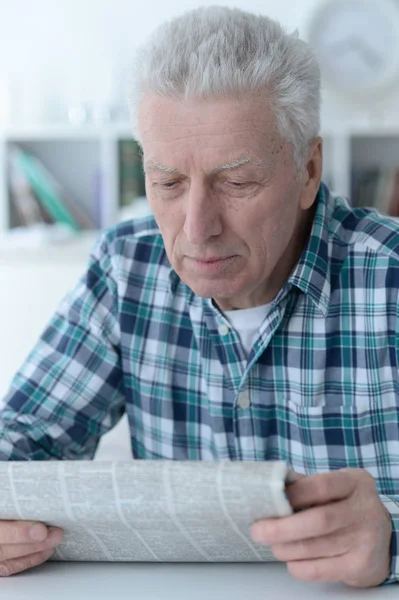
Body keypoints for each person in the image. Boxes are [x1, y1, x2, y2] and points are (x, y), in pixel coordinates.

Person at [0, 5, 398, 587]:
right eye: (167, 183)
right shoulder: (125, 267)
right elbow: (23, 434)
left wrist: (391, 537)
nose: (195, 228)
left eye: (237, 183)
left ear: (308, 169)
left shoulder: (389, 280)